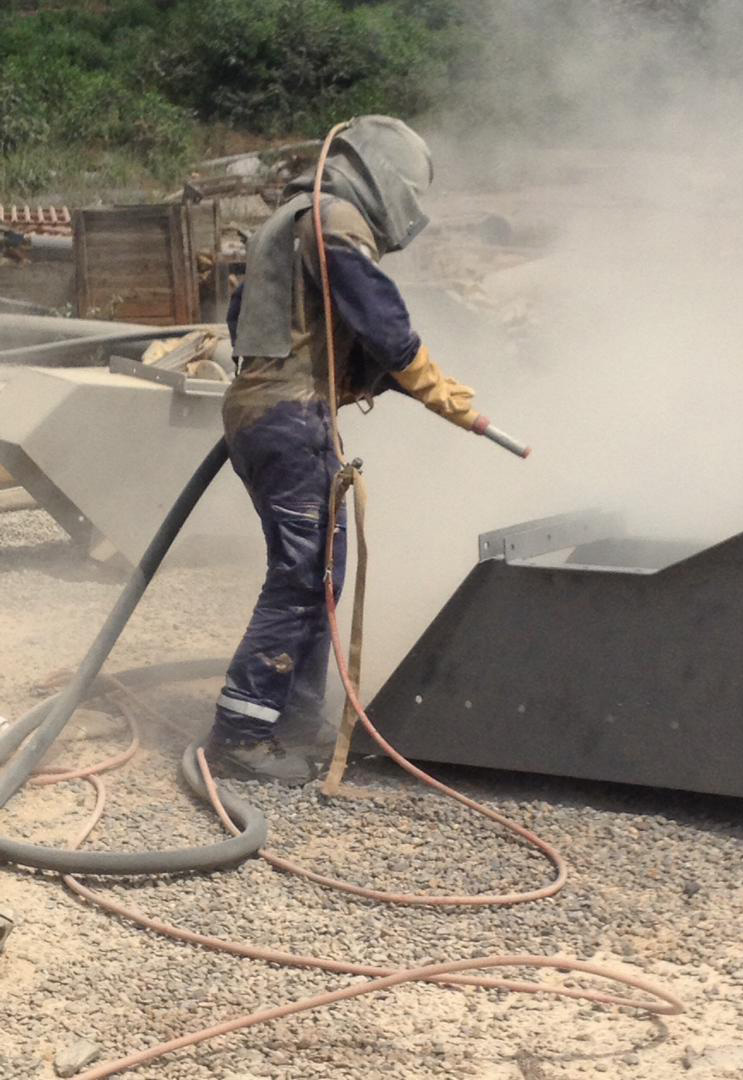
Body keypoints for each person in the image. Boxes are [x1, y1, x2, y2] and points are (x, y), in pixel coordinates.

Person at [206, 115, 478, 783]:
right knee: (304, 576)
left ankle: (296, 720)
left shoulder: (288, 218)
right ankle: (241, 734)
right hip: (291, 418)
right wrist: (428, 382)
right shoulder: (336, 219)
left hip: (269, 413)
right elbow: (377, 315)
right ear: (388, 179)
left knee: (320, 574)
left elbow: (247, 320)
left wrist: (342, 378)